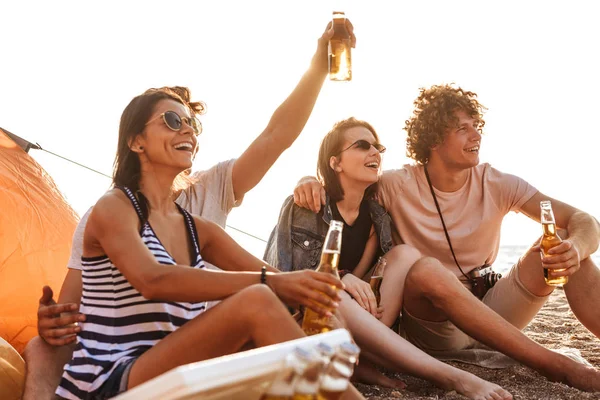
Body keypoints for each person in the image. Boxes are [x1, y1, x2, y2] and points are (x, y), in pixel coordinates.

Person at [22, 21, 357, 400]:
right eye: (171, 120)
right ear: (136, 141)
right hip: (115, 380)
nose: (187, 131)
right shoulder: (113, 207)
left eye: (191, 123)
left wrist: (311, 291)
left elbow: (277, 278)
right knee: (258, 300)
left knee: (288, 325)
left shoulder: (198, 225)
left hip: (182, 373)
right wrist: (51, 322)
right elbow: (153, 280)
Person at [293, 84, 600, 392]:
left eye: (476, 126)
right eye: (462, 129)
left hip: (491, 308)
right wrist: (310, 181)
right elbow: (345, 188)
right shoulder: (395, 186)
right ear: (434, 138)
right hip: (433, 323)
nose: (476, 135)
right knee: (424, 268)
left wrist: (575, 247)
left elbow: (583, 221)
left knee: (561, 241)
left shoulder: (497, 183)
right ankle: (556, 365)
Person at [266, 117, 513, 399]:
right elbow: (293, 281)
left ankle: (367, 357)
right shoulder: (307, 205)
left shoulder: (376, 217)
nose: (374, 153)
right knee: (335, 293)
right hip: (302, 316)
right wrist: (342, 279)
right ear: (335, 163)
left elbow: (365, 277)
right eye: (362, 146)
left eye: (377, 147)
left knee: (405, 253)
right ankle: (451, 377)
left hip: (351, 311)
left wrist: (352, 283)